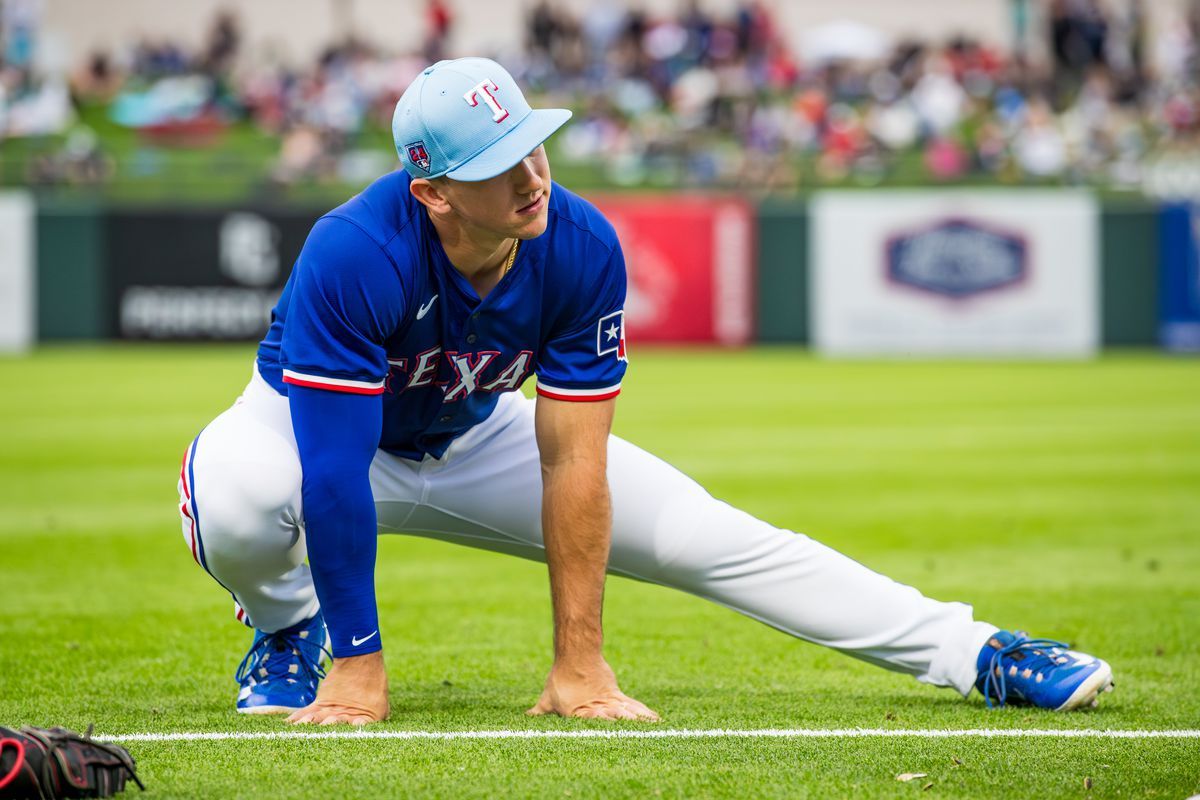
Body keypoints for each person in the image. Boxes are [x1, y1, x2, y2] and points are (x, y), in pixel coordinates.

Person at [177, 57, 1113, 726]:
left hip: (469, 432)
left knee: (709, 535)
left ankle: (976, 653)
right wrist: (360, 667)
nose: (533, 175)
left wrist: (579, 666)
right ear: (433, 192)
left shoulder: (579, 244)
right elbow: (334, 471)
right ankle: (287, 627)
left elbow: (575, 457)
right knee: (240, 499)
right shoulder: (357, 250)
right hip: (316, 435)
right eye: (498, 165)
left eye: (534, 146)